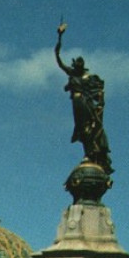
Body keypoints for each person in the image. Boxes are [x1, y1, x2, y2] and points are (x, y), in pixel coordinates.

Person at [54, 23, 113, 173]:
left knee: (88, 128)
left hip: (84, 103)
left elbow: (99, 93)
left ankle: (91, 152)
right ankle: (89, 151)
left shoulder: (87, 78)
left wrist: (99, 102)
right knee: (81, 128)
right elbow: (58, 59)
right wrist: (59, 37)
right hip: (76, 103)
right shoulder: (72, 74)